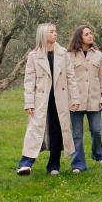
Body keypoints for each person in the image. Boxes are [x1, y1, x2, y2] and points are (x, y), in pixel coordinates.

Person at [18, 23, 80, 175]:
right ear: (43, 34)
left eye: (55, 31)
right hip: (41, 100)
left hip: (60, 99)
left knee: (57, 130)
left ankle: (54, 166)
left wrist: (75, 99)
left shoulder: (63, 54)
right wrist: (29, 103)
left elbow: (71, 78)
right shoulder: (33, 56)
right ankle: (25, 164)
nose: (55, 33)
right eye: (52, 31)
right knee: (34, 130)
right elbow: (29, 81)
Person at [66, 25, 102, 172]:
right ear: (79, 37)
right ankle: (78, 164)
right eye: (86, 34)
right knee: (77, 134)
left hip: (94, 100)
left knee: (96, 130)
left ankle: (98, 153)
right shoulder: (69, 55)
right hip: (75, 101)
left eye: (91, 33)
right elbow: (66, 79)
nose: (90, 36)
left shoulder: (98, 55)